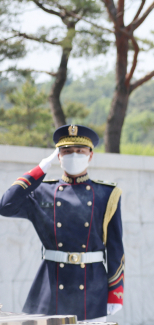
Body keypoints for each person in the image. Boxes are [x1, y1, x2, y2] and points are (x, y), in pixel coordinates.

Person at [0, 125, 125, 321]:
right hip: (51, 285)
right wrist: (39, 170)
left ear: (90, 155)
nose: (73, 156)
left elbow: (116, 248)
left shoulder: (107, 194)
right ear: (58, 156)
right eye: (66, 152)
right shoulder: (41, 191)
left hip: (91, 286)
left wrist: (116, 293)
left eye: (79, 151)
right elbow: (5, 206)